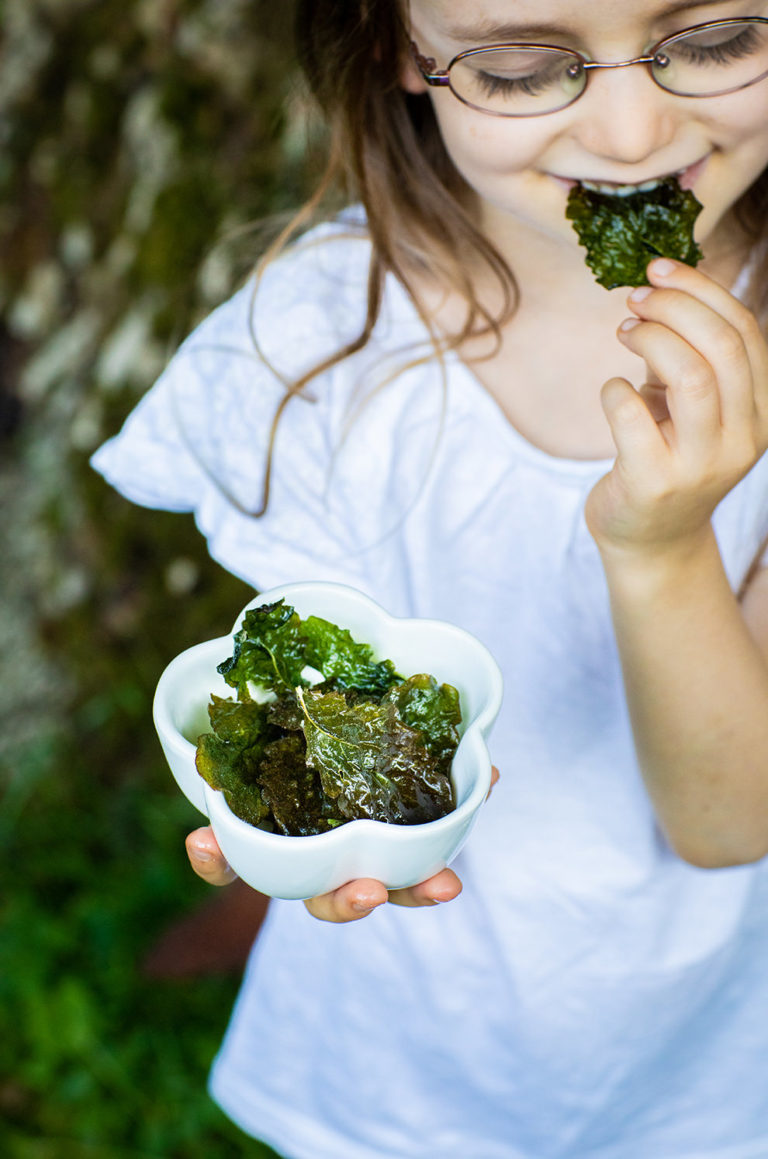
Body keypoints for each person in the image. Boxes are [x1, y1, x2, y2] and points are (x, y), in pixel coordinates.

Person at [91, 0, 768, 1155]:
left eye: (715, 42)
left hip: (688, 1040)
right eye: (517, 65)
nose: (626, 129)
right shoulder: (311, 341)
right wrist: (289, 811)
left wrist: (660, 547)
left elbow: (730, 818)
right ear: (398, 44)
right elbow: (312, 663)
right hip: (403, 1028)